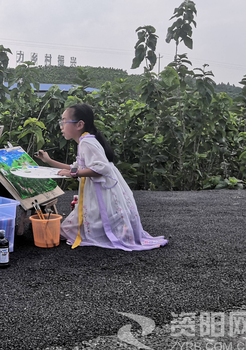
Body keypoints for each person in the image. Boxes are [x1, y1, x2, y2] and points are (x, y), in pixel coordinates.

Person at [36, 104, 167, 251]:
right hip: (99, 190)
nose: (61, 126)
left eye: (64, 121)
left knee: (78, 225)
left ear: (79, 124)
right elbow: (77, 167)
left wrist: (74, 173)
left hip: (100, 190)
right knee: (80, 223)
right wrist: (49, 161)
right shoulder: (86, 141)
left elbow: (101, 168)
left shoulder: (87, 142)